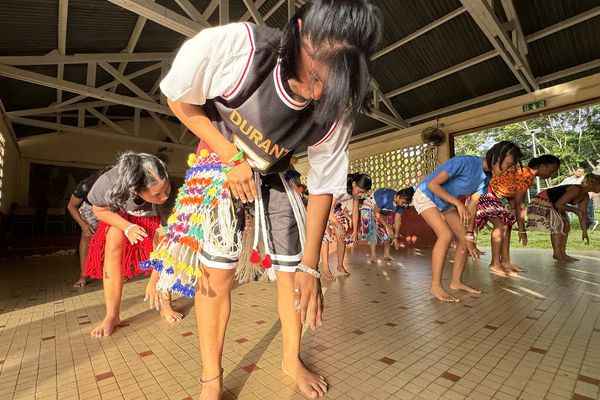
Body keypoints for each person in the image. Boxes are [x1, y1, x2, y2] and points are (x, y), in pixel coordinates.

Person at [148, 2, 382, 399]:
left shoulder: (337, 112)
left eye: (342, 65)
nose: (324, 79)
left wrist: (311, 267)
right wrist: (231, 156)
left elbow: (324, 185)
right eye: (322, 58)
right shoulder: (238, 48)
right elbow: (179, 100)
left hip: (276, 172)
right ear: (302, 28)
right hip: (219, 160)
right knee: (216, 273)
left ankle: (291, 359)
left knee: (292, 274)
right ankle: (212, 382)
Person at [84, 152, 181, 337]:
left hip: (156, 221)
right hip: (121, 218)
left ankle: (165, 303)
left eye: (166, 189)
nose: (164, 197)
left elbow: (167, 240)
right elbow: (99, 209)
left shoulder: (171, 195)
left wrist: (154, 281)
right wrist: (127, 227)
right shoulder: (109, 181)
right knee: (114, 238)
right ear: (136, 190)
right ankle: (112, 315)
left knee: (162, 244)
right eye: (157, 194)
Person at [413, 141, 523, 302]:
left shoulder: (486, 178)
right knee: (445, 235)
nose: (508, 169)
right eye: (508, 164)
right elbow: (432, 184)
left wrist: (470, 235)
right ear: (498, 156)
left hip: (447, 203)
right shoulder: (464, 162)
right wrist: (458, 204)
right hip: (426, 195)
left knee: (464, 240)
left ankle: (456, 282)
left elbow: (472, 205)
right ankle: (435, 285)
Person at [474, 155, 560, 275]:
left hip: (491, 194)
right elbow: (519, 203)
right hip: (484, 192)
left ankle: (505, 261)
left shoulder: (524, 172)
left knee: (507, 224)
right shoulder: (526, 175)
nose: (550, 175)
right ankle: (495, 263)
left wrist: (514, 211)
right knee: (500, 225)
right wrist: (522, 230)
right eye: (551, 171)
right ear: (542, 166)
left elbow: (510, 192)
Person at [527, 172, 600, 262]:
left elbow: (582, 215)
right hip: (542, 200)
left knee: (566, 225)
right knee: (558, 225)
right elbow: (559, 204)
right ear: (592, 184)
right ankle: (557, 254)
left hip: (554, 203)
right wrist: (575, 210)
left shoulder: (585, 196)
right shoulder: (576, 189)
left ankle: (562, 253)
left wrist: (584, 232)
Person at [320, 173, 371, 280]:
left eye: (363, 192)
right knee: (325, 236)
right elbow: (327, 209)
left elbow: (356, 212)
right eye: (360, 190)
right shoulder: (340, 187)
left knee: (341, 236)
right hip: (322, 206)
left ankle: (340, 266)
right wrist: (336, 225)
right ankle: (325, 268)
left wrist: (355, 231)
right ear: (353, 184)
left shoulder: (356, 193)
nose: (360, 194)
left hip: (334, 208)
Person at [358, 187, 414, 263]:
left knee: (390, 231)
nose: (403, 204)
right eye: (403, 202)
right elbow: (376, 212)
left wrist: (396, 237)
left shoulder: (401, 205)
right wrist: (387, 227)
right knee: (372, 230)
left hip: (382, 212)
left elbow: (397, 221)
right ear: (397, 197)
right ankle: (373, 256)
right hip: (369, 208)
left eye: (405, 203)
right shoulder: (386, 196)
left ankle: (386, 254)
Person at [67, 172, 102, 288]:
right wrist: (83, 225)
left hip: (112, 208)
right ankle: (83, 275)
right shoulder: (87, 184)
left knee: (115, 237)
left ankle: (117, 271)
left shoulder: (121, 184)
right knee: (87, 236)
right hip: (90, 208)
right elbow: (71, 206)